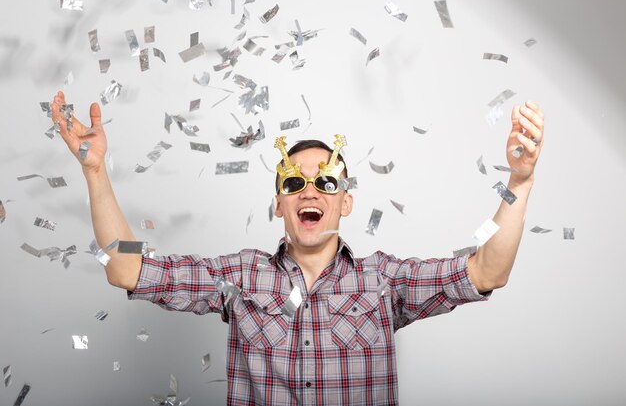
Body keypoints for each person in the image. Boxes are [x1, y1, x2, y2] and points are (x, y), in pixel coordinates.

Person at [51, 91, 544, 405]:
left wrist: (519, 181)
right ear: (279, 204)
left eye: (326, 182)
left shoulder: (384, 281)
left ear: (346, 202)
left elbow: (486, 271)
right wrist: (95, 172)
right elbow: (126, 267)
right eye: (294, 182)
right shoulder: (240, 278)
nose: (310, 192)